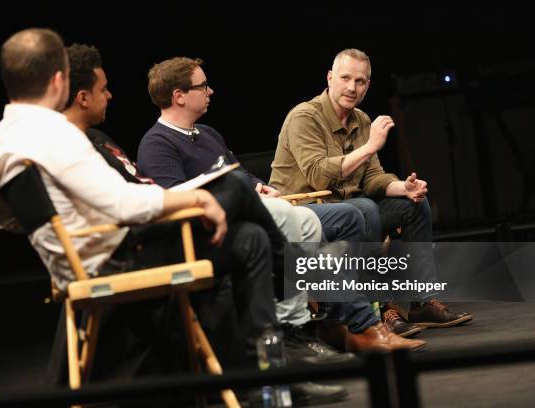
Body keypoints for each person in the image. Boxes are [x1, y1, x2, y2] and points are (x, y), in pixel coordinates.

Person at [0, 29, 280, 383]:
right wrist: (197, 198)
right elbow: (122, 204)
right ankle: (281, 338)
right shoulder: (59, 135)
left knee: (254, 232)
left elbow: (9, 221)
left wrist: (68, 228)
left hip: (77, 262)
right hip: (116, 259)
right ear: (59, 80)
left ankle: (265, 364)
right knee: (241, 204)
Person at [62, 43, 351, 405]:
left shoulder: (99, 140)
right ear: (82, 96)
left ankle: (272, 370)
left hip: (159, 230)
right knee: (233, 187)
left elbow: (139, 190)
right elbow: (137, 200)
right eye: (103, 88)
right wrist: (200, 197)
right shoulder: (82, 146)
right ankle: (291, 272)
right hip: (144, 242)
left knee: (249, 234)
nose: (110, 95)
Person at [137, 56, 425, 352]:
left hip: (261, 210)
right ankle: (356, 324)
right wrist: (241, 197)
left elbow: (238, 174)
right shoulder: (158, 144)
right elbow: (173, 197)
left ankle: (337, 322)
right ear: (179, 96)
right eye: (203, 86)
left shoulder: (208, 134)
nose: (210, 92)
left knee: (350, 216)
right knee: (331, 220)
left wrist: (260, 187)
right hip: (223, 230)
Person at [269, 48, 473, 329]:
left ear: (367, 86)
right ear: (330, 78)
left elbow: (373, 178)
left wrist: (403, 187)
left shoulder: (361, 120)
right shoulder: (305, 117)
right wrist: (369, 147)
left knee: (413, 206)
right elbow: (318, 176)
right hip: (304, 210)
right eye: (345, 78)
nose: (352, 87)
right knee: (364, 209)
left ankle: (420, 301)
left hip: (351, 207)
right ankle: (377, 309)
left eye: (360, 81)